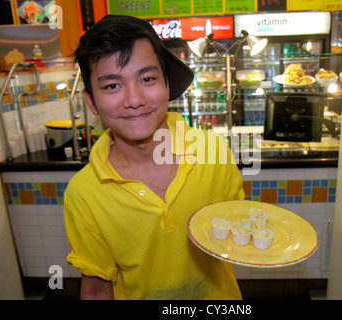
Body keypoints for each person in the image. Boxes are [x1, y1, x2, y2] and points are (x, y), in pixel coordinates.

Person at [63, 15, 245, 300]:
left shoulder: (213, 152)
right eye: (112, 85)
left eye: (147, 79)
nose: (134, 99)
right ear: (91, 101)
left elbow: (236, 231)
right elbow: (97, 288)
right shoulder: (84, 193)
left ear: (167, 85)